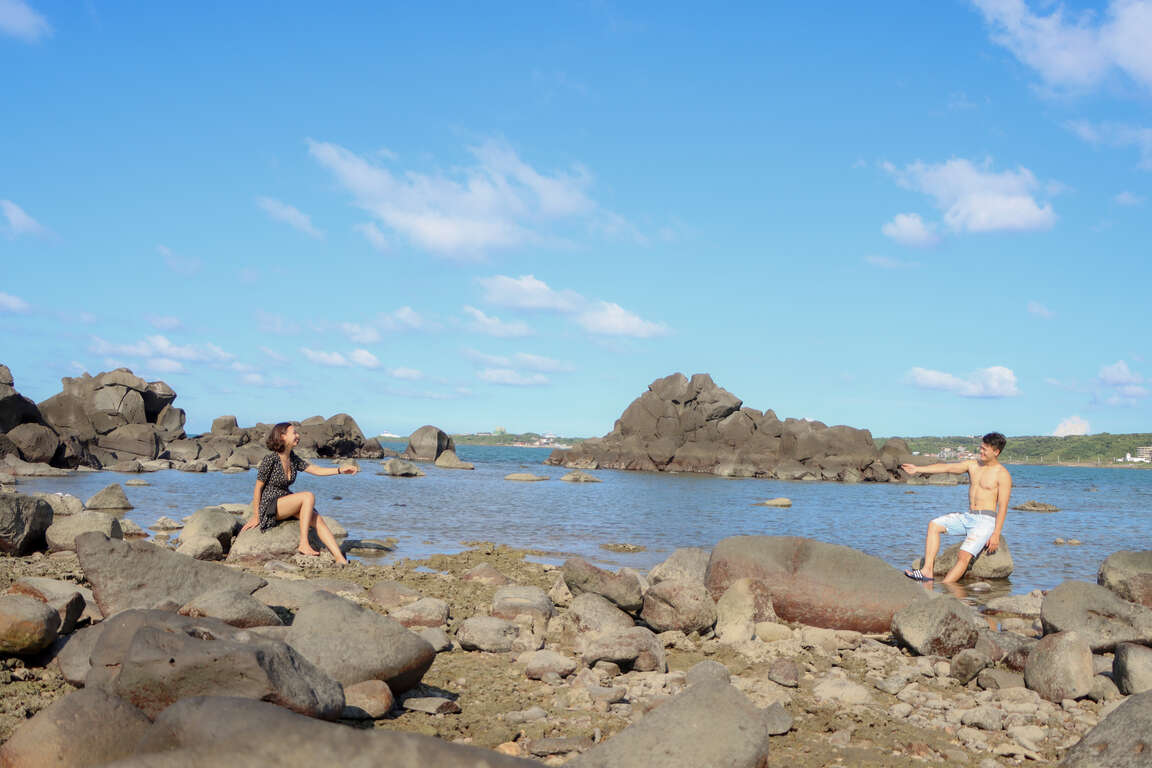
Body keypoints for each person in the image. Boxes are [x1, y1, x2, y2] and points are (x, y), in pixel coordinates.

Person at [900, 432, 1012, 584]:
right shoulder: (973, 465)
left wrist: (996, 534)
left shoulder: (1003, 474)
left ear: (996, 452)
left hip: (985, 521)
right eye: (981, 448)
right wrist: (918, 469)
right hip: (969, 516)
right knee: (934, 525)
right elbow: (947, 467)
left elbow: (1003, 506)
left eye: (985, 449)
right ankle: (927, 571)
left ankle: (946, 588)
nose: (981, 451)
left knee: (963, 556)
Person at [241, 422, 358, 563]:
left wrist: (340, 470)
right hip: (270, 505)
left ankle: (340, 559)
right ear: (282, 436)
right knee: (307, 496)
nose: (298, 435)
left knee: (317, 519)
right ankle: (304, 543)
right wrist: (256, 516)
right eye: (294, 433)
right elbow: (258, 488)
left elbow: (315, 470)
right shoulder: (270, 459)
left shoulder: (293, 458)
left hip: (285, 501)